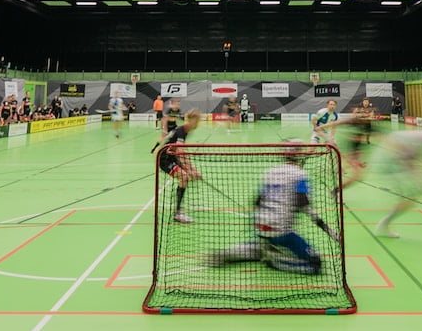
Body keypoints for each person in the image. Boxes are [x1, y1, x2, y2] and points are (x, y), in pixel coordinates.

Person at [209, 140, 339, 274]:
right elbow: (304, 205)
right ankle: (275, 262)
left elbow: (258, 202)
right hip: (282, 231)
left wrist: (253, 223)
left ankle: (239, 251)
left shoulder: (271, 172)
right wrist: (326, 228)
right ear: (299, 155)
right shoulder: (299, 174)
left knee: (264, 243)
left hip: (260, 225)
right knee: (315, 264)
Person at [375, 129, 422, 238]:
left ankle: (384, 225)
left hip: (390, 164)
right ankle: (383, 225)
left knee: (410, 198)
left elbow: (411, 163)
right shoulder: (421, 140)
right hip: (389, 165)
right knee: (409, 199)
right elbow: (409, 161)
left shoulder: (420, 138)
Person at [154, 109, 204, 223]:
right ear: (190, 120)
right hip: (164, 159)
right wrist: (190, 171)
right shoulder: (181, 131)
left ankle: (178, 210)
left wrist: (193, 170)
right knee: (184, 177)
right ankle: (178, 214)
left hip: (172, 157)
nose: (197, 124)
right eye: (196, 121)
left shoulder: (185, 131)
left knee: (186, 178)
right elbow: (181, 153)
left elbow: (180, 153)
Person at [332, 102, 377, 188]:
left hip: (356, 153)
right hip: (353, 152)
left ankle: (340, 170)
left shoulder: (366, 125)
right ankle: (336, 189)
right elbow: (336, 123)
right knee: (357, 176)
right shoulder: (353, 122)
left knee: (357, 174)